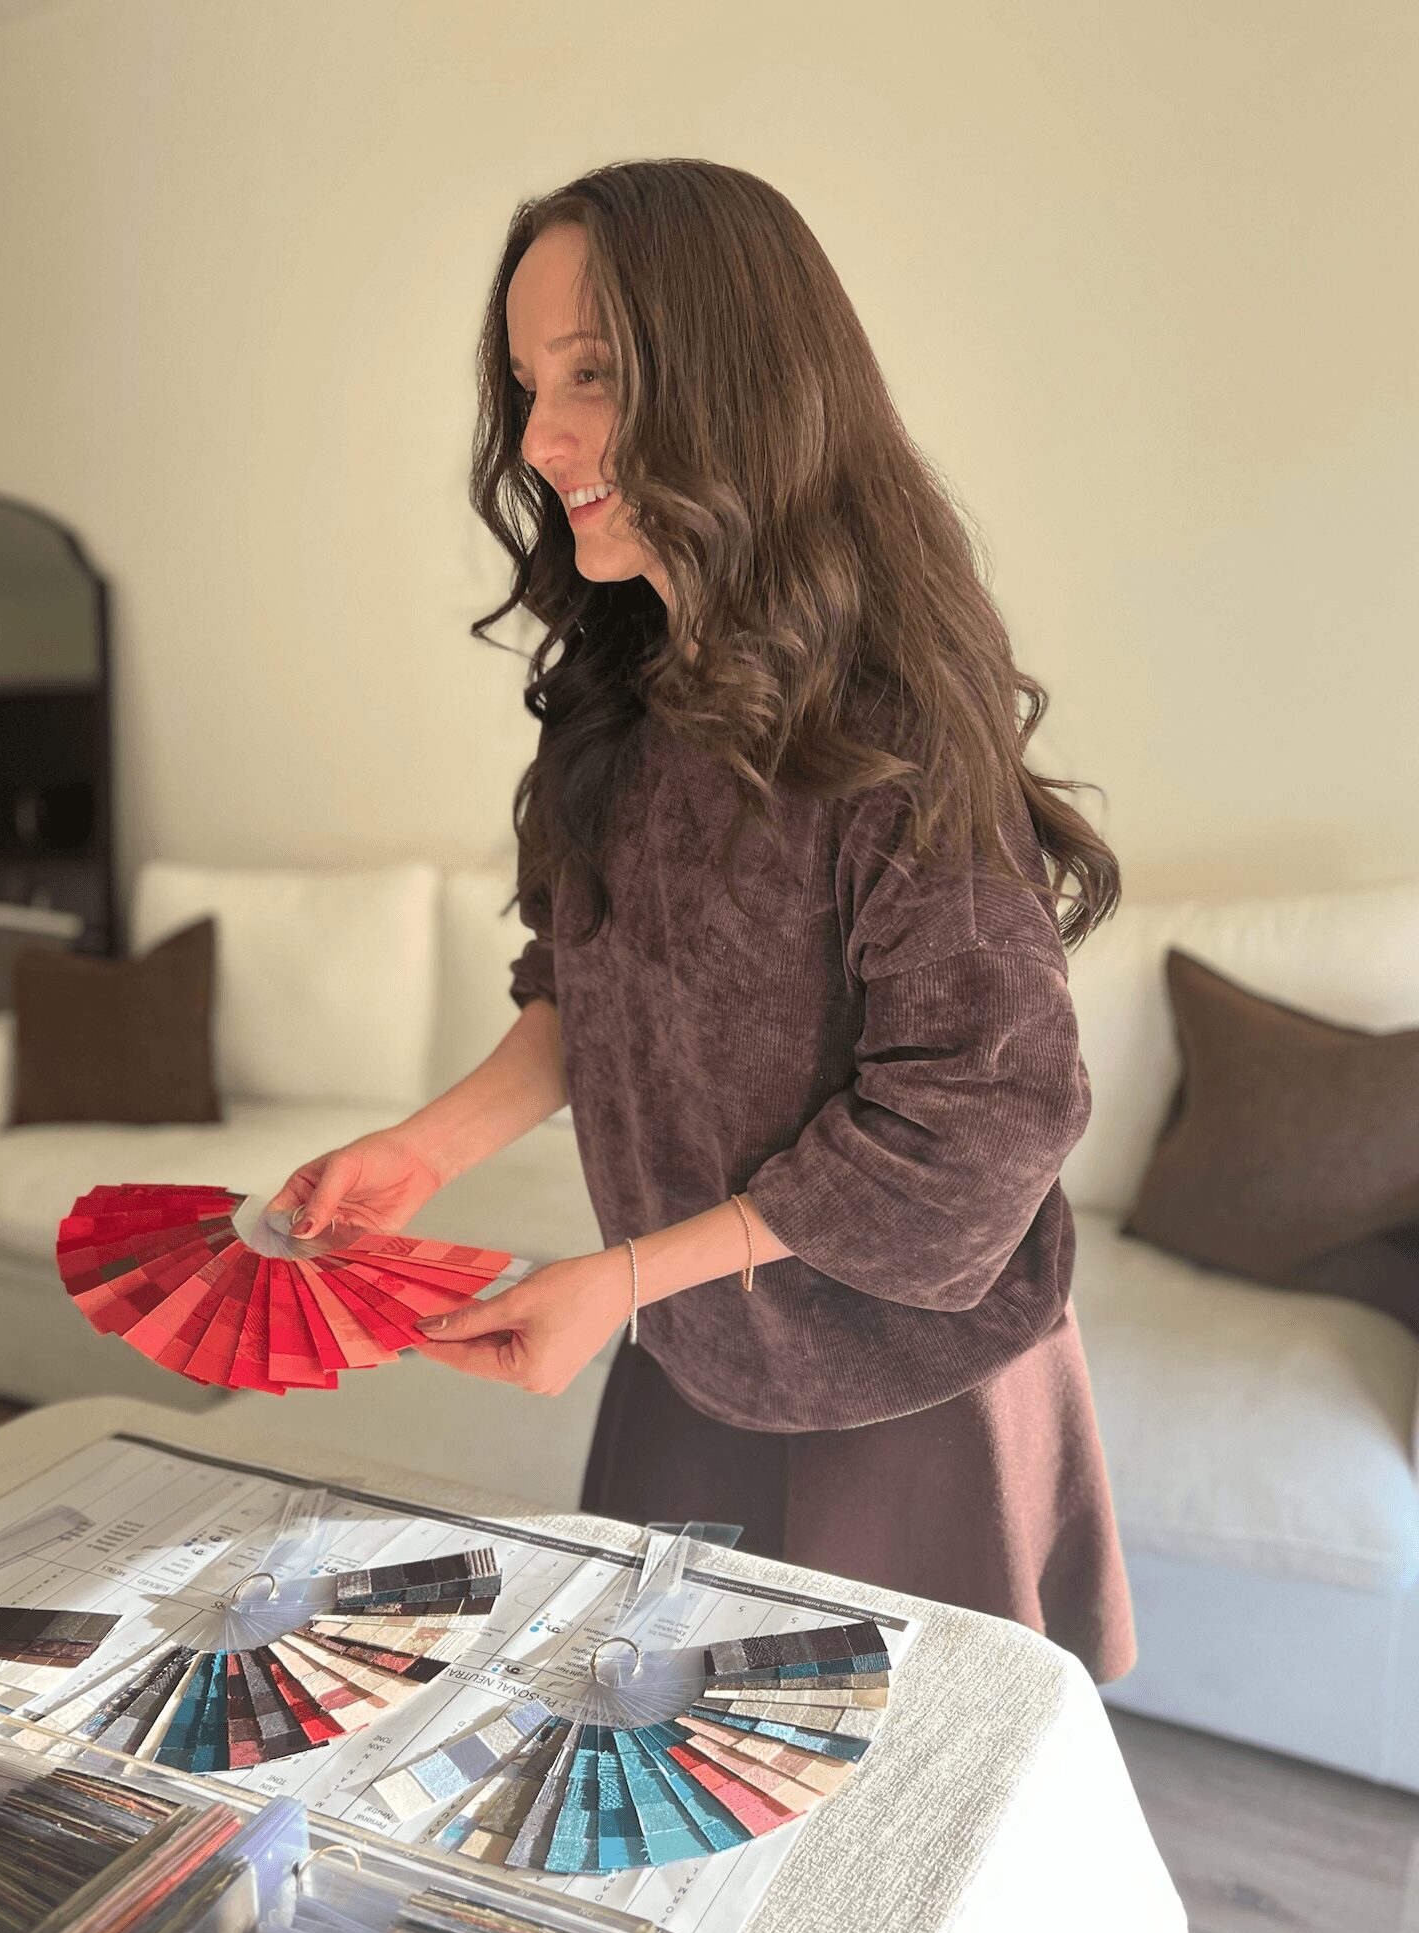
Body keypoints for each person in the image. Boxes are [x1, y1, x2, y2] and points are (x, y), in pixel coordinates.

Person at [268, 160, 1136, 1686]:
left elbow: (986, 1113)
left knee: (883, 1803)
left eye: (593, 375)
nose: (541, 440)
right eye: (528, 385)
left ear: (736, 379)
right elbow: (584, 994)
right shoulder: (618, 700)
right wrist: (423, 1152)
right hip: (689, 1336)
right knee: (645, 1759)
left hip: (904, 1386)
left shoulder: (889, 716)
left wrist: (618, 1278)